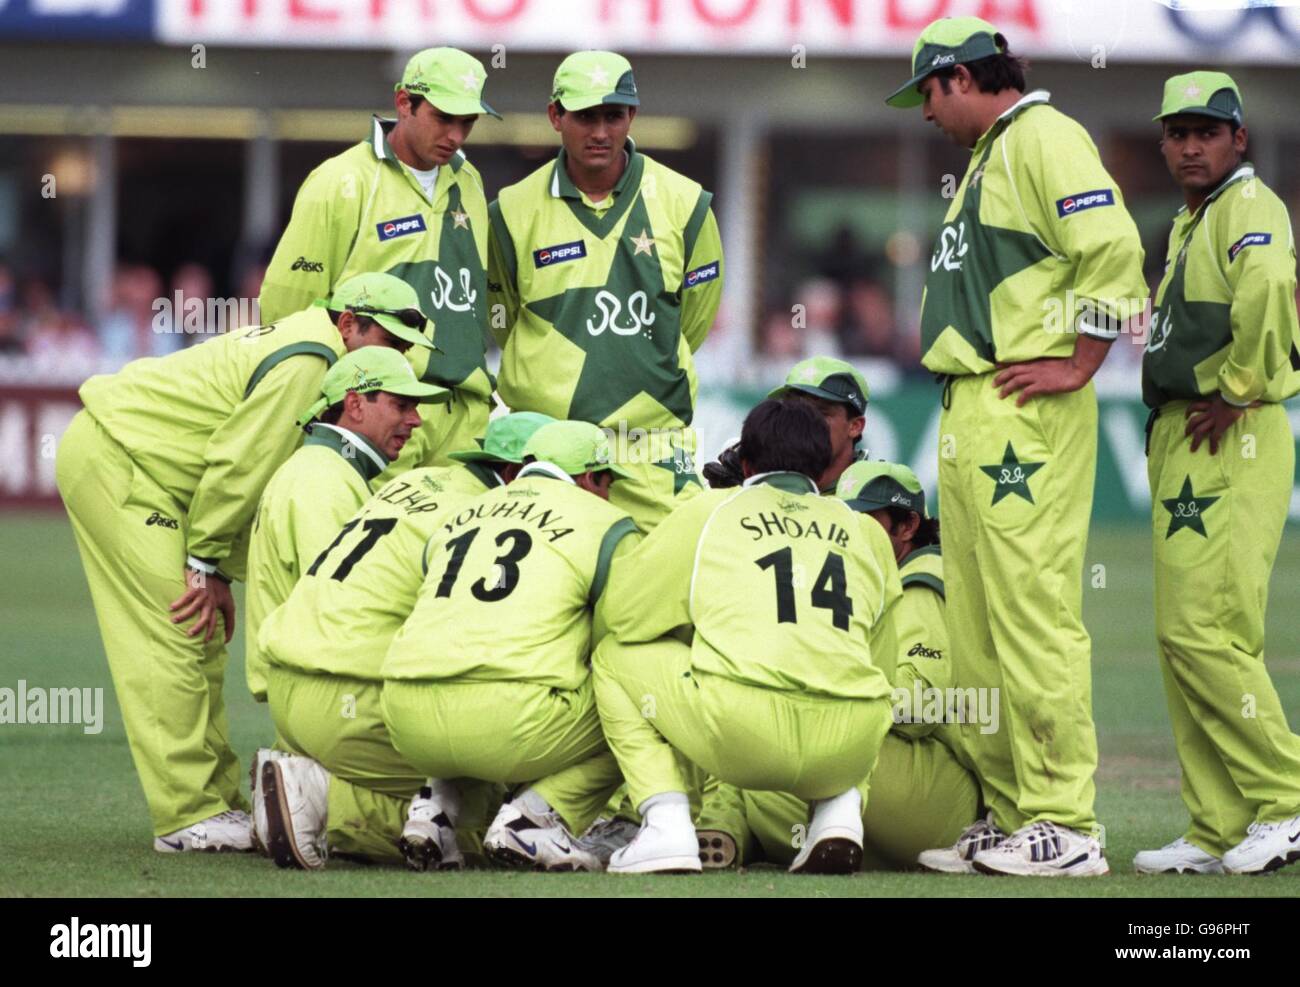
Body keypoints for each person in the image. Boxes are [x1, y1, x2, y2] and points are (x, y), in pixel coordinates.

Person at [887, 16, 1147, 876]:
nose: (923, 112)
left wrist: (1082, 360)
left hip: (1021, 412)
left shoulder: (1043, 136)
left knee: (1030, 616)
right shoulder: (990, 157)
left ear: (961, 77)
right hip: (971, 406)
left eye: (926, 91)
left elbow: (1110, 246)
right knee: (977, 633)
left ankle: (1066, 822)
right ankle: (1010, 812)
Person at [54, 271, 431, 853]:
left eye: (408, 350)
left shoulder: (319, 348)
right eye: (392, 345)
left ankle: (215, 804)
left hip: (155, 472)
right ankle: (186, 815)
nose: (401, 362)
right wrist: (205, 563)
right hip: (122, 459)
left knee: (199, 636)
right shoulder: (312, 361)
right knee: (175, 630)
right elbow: (240, 462)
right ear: (349, 325)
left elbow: (238, 463)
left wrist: (216, 565)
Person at [591, 399, 902, 875]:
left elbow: (624, 617)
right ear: (824, 468)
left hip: (742, 737)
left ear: (747, 463)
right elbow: (880, 662)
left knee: (614, 656)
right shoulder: (867, 532)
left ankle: (666, 825)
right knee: (865, 682)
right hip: (849, 747)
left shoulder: (709, 511)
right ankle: (839, 817)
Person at [255, 412, 553, 871]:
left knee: (450, 802)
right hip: (354, 697)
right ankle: (322, 796)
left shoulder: (418, 480)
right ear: (516, 473)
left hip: (290, 683)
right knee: (498, 823)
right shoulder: (489, 515)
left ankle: (311, 788)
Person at [1135, 72, 1300, 876]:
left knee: (1209, 631)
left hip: (1229, 431)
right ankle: (1217, 822)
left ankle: (1288, 797)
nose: (1190, 144)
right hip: (1190, 433)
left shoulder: (1248, 208)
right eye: (1178, 131)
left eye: (1208, 130)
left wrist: (1239, 386)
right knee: (1180, 638)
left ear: (1240, 138)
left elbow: (1271, 288)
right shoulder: (1193, 219)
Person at [693, 461, 981, 872]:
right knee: (767, 750)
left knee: (754, 752)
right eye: (844, 516)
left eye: (865, 518)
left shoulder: (922, 579)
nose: (852, 530)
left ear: (907, 526)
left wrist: (833, 683)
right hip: (913, 794)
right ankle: (732, 836)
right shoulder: (884, 577)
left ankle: (724, 829)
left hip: (933, 794)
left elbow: (922, 705)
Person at [379, 421, 640, 873]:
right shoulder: (608, 524)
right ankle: (533, 817)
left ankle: (432, 810)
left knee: (462, 666)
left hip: (405, 719)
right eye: (608, 481)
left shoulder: (461, 513)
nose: (609, 493)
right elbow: (622, 639)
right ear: (588, 477)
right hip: (510, 723)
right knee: (637, 697)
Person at [487, 50, 723, 531]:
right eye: (585, 116)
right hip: (547, 448)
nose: (600, 132)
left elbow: (693, 319)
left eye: (613, 116)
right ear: (556, 116)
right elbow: (503, 319)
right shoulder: (510, 210)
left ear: (631, 116)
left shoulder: (687, 204)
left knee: (671, 593)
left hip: (651, 450)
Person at [259, 47, 500, 473]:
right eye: (444, 118)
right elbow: (288, 309)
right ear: (404, 102)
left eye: (468, 122)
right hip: (381, 411)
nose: (456, 136)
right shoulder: (340, 180)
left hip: (465, 411)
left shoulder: (470, 180)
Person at [244, 347, 449, 706]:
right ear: (354, 405)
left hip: (306, 682)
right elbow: (339, 609)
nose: (416, 420)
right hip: (320, 689)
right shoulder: (324, 479)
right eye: (401, 405)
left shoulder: (324, 468)